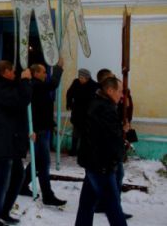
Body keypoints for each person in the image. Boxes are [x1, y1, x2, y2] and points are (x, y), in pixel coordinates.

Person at [0, 60, 32, 226]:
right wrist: (25, 81)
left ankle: (3, 210)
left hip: (11, 140)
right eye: (13, 71)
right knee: (0, 180)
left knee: (18, 175)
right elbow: (20, 99)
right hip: (1, 141)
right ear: (5, 72)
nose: (15, 74)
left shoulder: (4, 86)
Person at [75, 77, 128, 226]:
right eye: (120, 91)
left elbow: (102, 134)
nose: (122, 95)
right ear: (110, 91)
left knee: (87, 205)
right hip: (101, 165)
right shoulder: (104, 108)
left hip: (94, 163)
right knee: (113, 208)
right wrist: (119, 155)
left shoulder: (99, 103)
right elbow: (110, 140)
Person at [20, 60, 67, 206]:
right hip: (38, 131)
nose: (46, 74)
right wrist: (58, 68)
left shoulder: (39, 87)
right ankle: (47, 195)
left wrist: (52, 125)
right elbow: (53, 84)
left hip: (43, 128)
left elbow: (44, 110)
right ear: (35, 73)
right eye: (43, 72)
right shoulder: (35, 85)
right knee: (43, 163)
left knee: (37, 161)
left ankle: (22, 185)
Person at [66, 68, 98, 156]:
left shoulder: (93, 85)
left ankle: (83, 151)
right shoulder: (76, 82)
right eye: (79, 77)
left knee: (86, 133)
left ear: (87, 78)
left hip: (88, 113)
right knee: (76, 131)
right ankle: (73, 150)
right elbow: (69, 93)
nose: (80, 79)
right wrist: (69, 103)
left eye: (82, 77)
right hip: (77, 111)